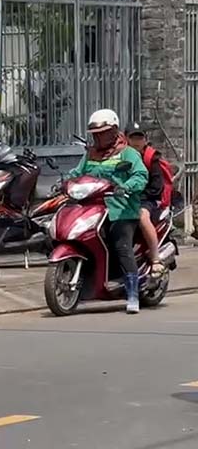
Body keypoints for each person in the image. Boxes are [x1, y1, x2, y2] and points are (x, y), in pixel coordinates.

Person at [70, 109, 148, 313]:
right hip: (91, 208)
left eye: (103, 132)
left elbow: (140, 175)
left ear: (114, 131)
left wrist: (127, 186)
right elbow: (77, 173)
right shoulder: (90, 153)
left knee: (121, 246)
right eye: (96, 134)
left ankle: (132, 294)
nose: (99, 137)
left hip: (121, 210)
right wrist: (66, 181)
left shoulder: (127, 152)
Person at [125, 123, 168, 277]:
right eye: (133, 137)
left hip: (147, 200)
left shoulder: (151, 157)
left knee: (142, 216)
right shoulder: (120, 155)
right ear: (126, 139)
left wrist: (137, 195)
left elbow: (156, 187)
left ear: (145, 139)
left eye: (140, 137)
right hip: (123, 198)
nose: (137, 141)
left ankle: (155, 258)